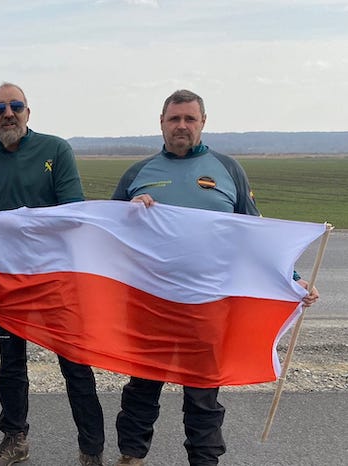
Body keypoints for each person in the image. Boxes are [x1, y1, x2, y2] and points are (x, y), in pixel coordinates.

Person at [111, 89, 321, 466]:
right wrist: (129, 215)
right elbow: (105, 233)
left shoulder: (228, 170)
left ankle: (205, 461)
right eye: (174, 119)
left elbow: (255, 234)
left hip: (208, 305)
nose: (181, 126)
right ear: (161, 123)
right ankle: (131, 457)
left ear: (203, 123)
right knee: (142, 388)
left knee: (203, 395)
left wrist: (292, 278)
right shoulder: (138, 174)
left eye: (190, 119)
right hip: (149, 305)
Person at [0, 83, 106, 466]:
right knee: (10, 365)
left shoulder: (56, 150)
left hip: (56, 279)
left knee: (75, 364)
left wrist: (24, 222)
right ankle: (15, 438)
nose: (8, 113)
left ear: (29, 111)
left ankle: (90, 451)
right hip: (7, 281)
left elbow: (73, 213)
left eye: (15, 106)